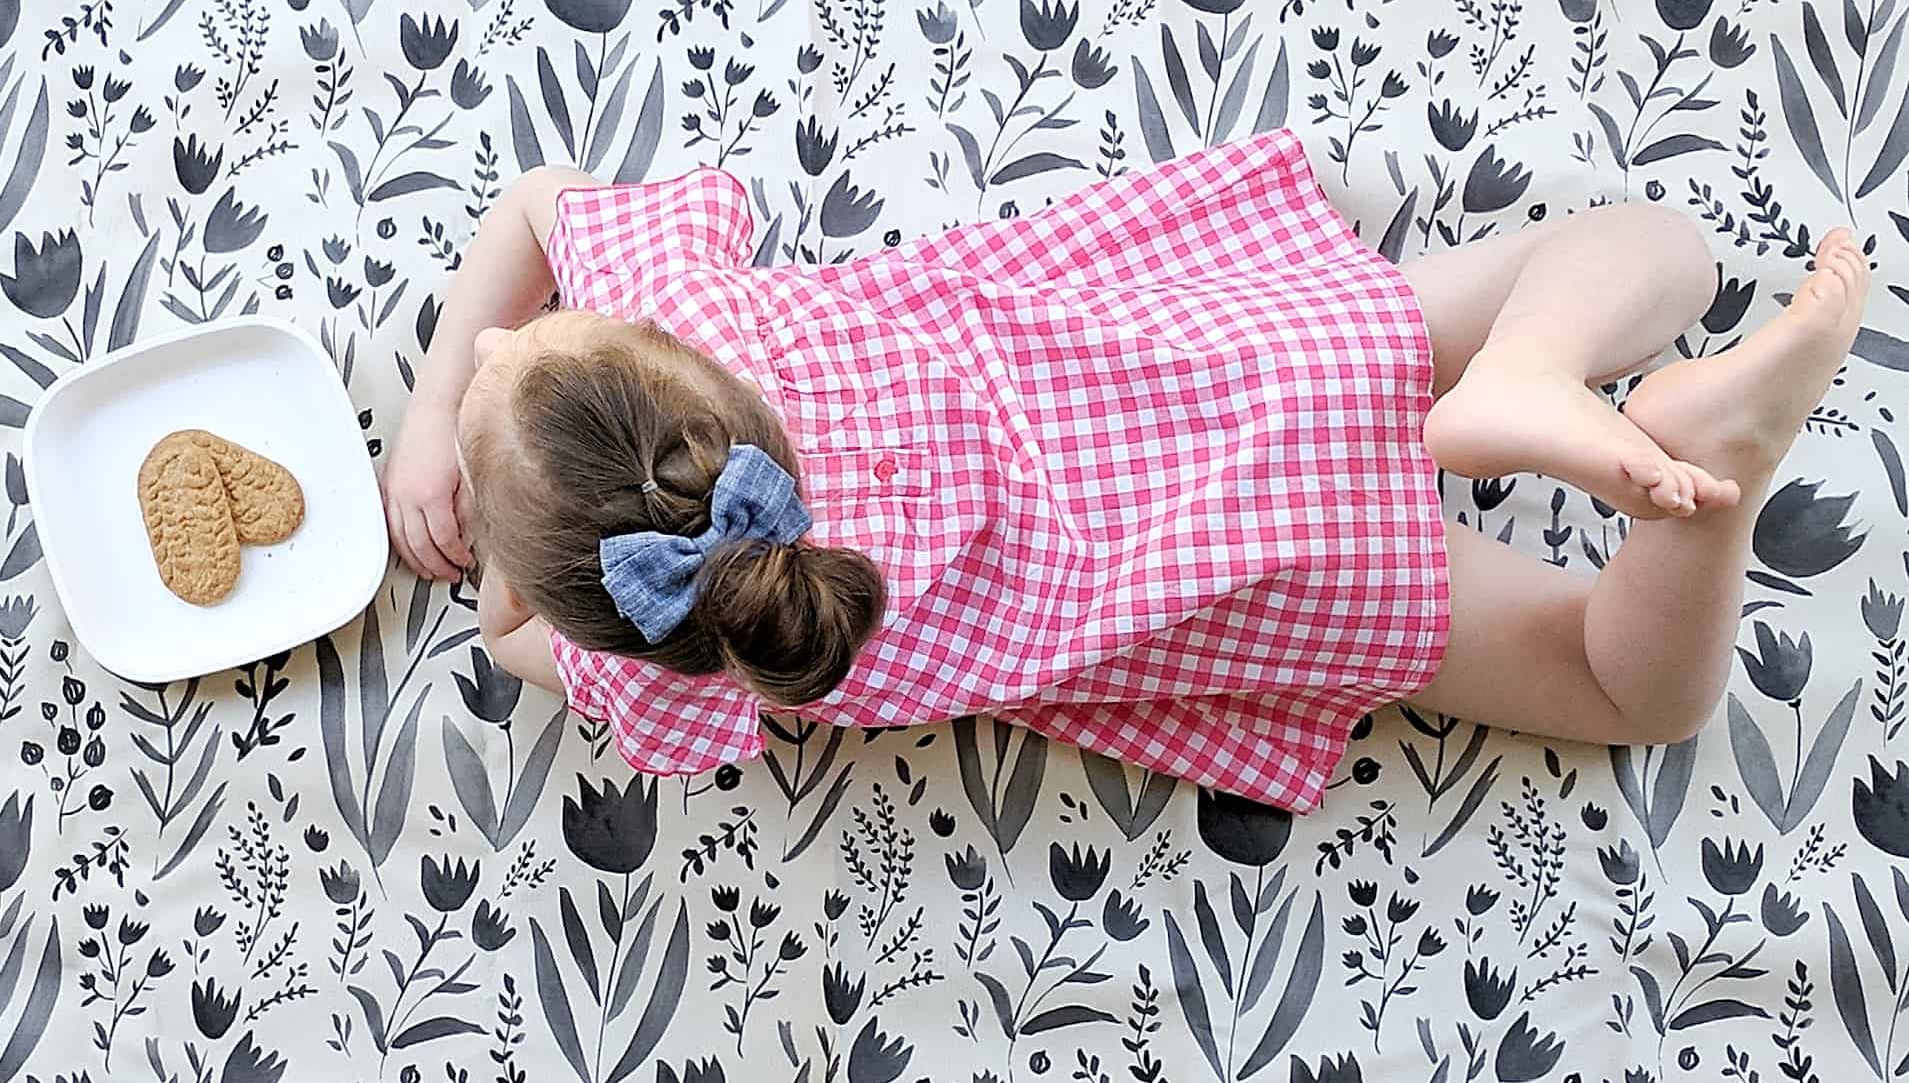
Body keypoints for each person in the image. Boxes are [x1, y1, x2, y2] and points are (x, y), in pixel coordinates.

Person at [380, 131, 1868, 814]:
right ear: (665, 354)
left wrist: (491, 510)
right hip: (1228, 360)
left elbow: (517, 640)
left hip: (1267, 572)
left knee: (1627, 691)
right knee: (1643, 246)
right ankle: (1536, 363)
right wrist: (459, 372)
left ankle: (1707, 488)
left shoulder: (667, 670)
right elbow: (540, 200)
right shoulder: (701, 309)